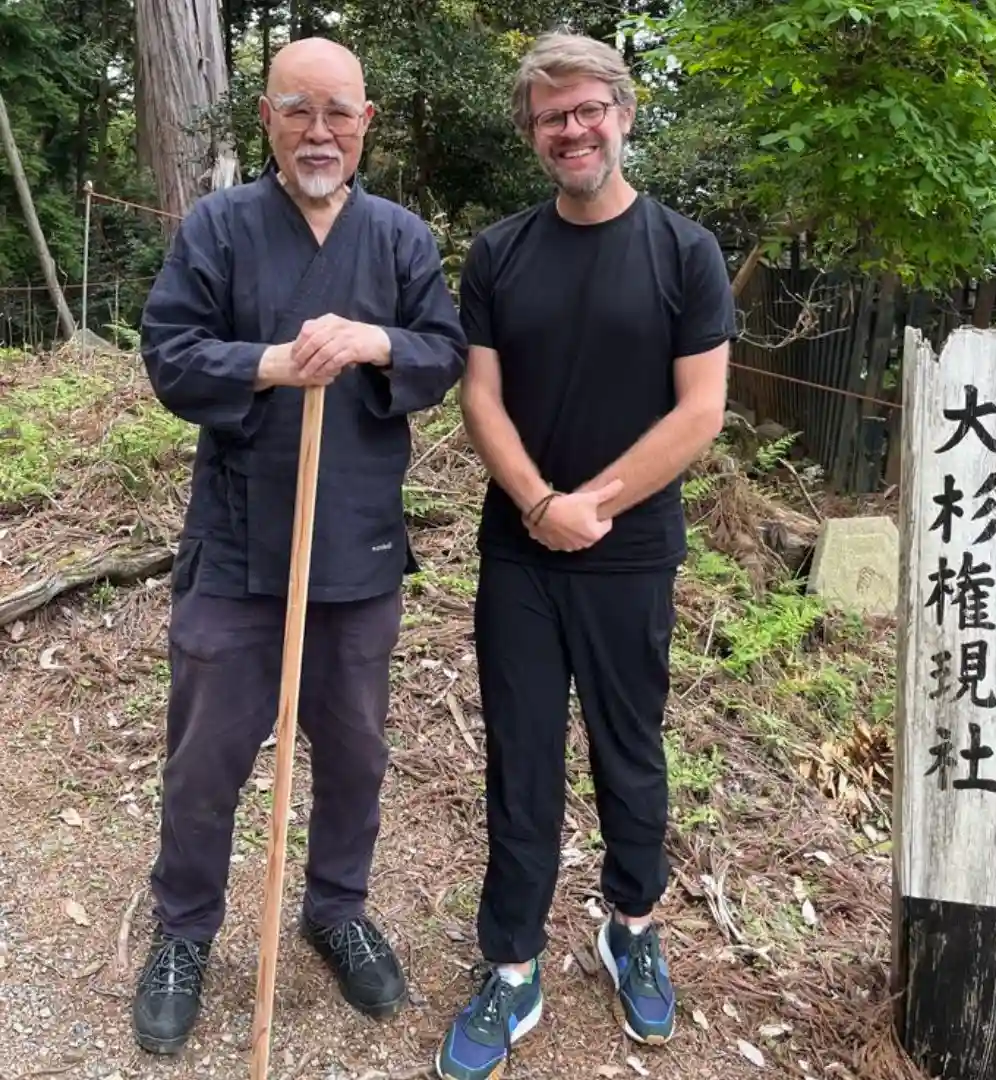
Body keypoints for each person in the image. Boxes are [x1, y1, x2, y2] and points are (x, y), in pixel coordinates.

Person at [132, 36, 467, 1055]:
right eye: (296, 109)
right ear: (268, 120)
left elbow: (444, 349)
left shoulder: (401, 239)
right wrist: (273, 362)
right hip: (236, 550)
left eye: (338, 112)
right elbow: (171, 352)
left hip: (358, 549)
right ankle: (185, 933)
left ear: (367, 121)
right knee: (204, 761)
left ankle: (336, 909)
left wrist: (375, 343)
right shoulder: (219, 230)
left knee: (357, 753)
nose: (319, 131)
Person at [435, 30, 737, 1080]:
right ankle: (510, 968)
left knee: (629, 751)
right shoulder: (498, 252)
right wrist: (537, 503)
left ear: (624, 112)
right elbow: (480, 391)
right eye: (552, 116)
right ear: (534, 134)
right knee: (521, 758)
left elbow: (702, 409)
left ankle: (632, 926)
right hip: (518, 553)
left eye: (588, 109)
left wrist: (591, 505)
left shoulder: (684, 252)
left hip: (630, 549)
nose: (573, 129)